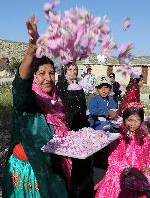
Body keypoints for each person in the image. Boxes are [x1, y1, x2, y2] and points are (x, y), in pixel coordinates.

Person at [2, 15, 68, 198]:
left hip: (50, 167)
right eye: (42, 73)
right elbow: (20, 85)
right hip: (29, 171)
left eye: (52, 73)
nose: (48, 78)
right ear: (34, 76)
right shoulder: (28, 100)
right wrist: (31, 51)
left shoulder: (56, 101)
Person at [95, 103, 150, 198]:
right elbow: (114, 161)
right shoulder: (119, 138)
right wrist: (131, 170)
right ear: (124, 120)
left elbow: (147, 154)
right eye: (130, 120)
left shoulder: (144, 138)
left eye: (137, 120)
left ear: (141, 121)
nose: (133, 124)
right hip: (122, 172)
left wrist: (148, 166)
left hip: (140, 171)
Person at [56, 63, 94, 198]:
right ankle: (69, 187)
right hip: (67, 125)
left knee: (82, 156)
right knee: (69, 157)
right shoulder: (60, 86)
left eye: (75, 69)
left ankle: (81, 186)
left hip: (81, 124)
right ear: (65, 70)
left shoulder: (79, 86)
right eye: (70, 69)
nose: (73, 72)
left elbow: (83, 105)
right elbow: (58, 107)